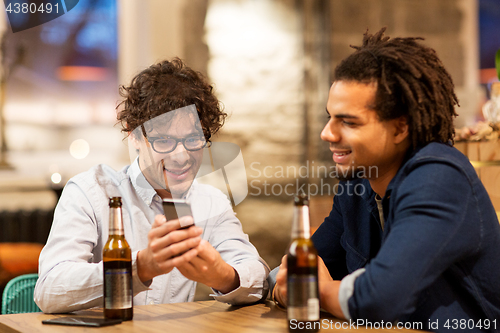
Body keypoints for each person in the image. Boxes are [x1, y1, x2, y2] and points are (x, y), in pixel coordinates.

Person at [271, 28, 500, 332]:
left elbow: (378, 299)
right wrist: (285, 282)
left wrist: (315, 292)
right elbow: (294, 268)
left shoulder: (439, 178)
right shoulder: (357, 185)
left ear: (400, 127)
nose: (328, 133)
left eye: (348, 122)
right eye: (330, 117)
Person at [35, 58, 269, 313]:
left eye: (193, 138)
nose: (181, 156)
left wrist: (223, 276)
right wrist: (141, 267)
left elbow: (258, 275)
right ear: (134, 134)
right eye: (164, 141)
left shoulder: (210, 202)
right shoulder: (92, 192)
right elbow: (50, 290)